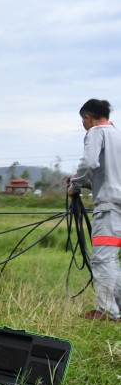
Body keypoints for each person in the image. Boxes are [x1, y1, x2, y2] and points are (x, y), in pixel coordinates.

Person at [68, 99, 121, 322]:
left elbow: (89, 164)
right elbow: (110, 174)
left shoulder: (97, 133)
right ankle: (116, 308)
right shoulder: (117, 135)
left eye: (83, 120)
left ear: (88, 117)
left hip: (109, 206)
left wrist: (75, 184)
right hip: (117, 204)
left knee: (102, 259)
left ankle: (107, 311)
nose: (83, 124)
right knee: (111, 259)